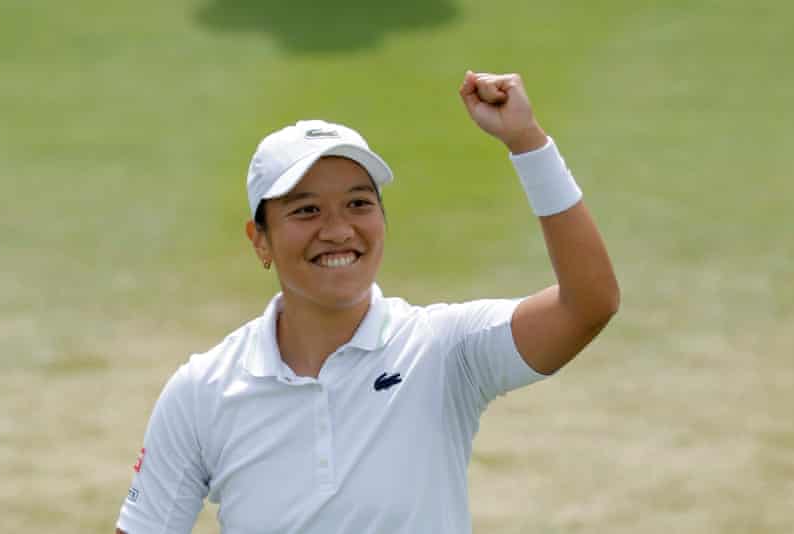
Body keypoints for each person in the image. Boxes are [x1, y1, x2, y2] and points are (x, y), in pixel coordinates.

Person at [115, 71, 620, 534]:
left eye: (359, 203)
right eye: (306, 210)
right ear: (259, 239)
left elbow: (588, 304)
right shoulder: (202, 391)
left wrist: (527, 143)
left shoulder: (443, 351)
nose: (338, 231)